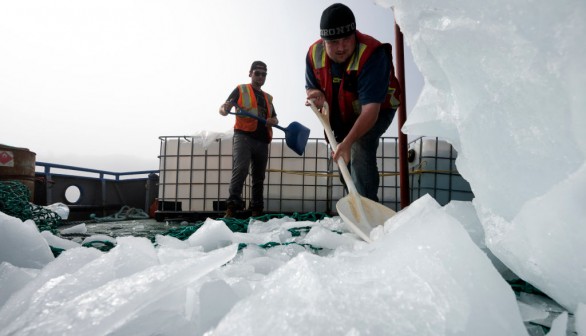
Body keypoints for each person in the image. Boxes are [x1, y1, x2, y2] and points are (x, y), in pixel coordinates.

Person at [305, 3, 401, 202]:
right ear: (323, 41)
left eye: (347, 39)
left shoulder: (373, 54)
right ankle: (354, 200)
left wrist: (348, 142)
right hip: (342, 113)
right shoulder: (314, 54)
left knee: (359, 144)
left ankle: (366, 207)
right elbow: (310, 86)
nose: (341, 47)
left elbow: (370, 112)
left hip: (378, 108)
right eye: (333, 42)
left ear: (355, 34)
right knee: (343, 158)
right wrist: (315, 93)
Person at [219, 61, 278, 218]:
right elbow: (224, 108)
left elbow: (275, 118)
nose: (260, 77)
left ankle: (257, 210)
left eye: (263, 74)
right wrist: (224, 109)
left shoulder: (268, 98)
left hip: (263, 140)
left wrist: (274, 121)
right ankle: (232, 208)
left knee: (259, 177)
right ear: (250, 73)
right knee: (241, 169)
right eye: (257, 73)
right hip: (244, 136)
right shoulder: (241, 89)